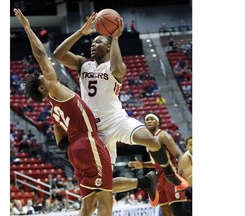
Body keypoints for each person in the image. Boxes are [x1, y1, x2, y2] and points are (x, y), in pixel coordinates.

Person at [13, 8, 158, 215]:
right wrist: (27, 27)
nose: (46, 75)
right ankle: (143, 181)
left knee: (88, 205)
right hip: (88, 142)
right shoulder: (54, 88)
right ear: (43, 88)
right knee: (105, 200)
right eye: (42, 78)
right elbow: (41, 54)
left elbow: (61, 142)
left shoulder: (54, 110)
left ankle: (143, 181)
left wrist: (76, 144)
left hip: (77, 149)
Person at [53, 11, 189, 200]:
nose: (93, 45)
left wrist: (115, 38)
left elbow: (117, 69)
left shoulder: (116, 67)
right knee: (102, 187)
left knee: (151, 141)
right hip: (94, 131)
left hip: (116, 119)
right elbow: (57, 54)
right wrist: (80, 33)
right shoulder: (83, 64)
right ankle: (144, 182)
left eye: (99, 42)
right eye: (92, 43)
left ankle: (170, 174)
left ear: (108, 48)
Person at [128, 112, 191, 216]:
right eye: (147, 120)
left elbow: (180, 155)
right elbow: (157, 162)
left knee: (178, 211)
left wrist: (178, 178)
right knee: (165, 212)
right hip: (159, 178)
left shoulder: (163, 135)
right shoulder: (149, 140)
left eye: (152, 119)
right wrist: (142, 164)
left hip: (170, 174)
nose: (149, 121)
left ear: (158, 123)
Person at [179, 136, 193, 214]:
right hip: (190, 190)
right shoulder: (186, 158)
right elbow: (191, 180)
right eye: (191, 144)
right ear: (187, 147)